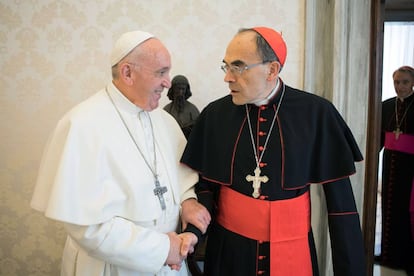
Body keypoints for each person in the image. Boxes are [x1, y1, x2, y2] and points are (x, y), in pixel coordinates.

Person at [180, 27, 366, 275]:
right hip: (229, 254)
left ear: (272, 69)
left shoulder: (317, 114)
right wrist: (192, 235)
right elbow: (206, 187)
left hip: (294, 251)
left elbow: (342, 208)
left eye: (239, 67)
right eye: (226, 67)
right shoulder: (215, 115)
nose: (228, 77)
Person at [30, 30, 211, 276]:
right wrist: (161, 248)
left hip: (172, 261)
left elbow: (182, 178)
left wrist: (188, 201)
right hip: (111, 266)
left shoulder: (164, 121)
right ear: (127, 72)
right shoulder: (82, 125)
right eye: (161, 72)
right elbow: (87, 227)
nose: (168, 82)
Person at [378, 65, 414, 275]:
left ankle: (408, 258)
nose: (400, 86)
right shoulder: (385, 106)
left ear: (412, 83)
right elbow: (380, 137)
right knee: (390, 207)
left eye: (404, 82)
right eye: (396, 82)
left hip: (411, 167)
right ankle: (389, 255)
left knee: (407, 211)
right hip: (390, 161)